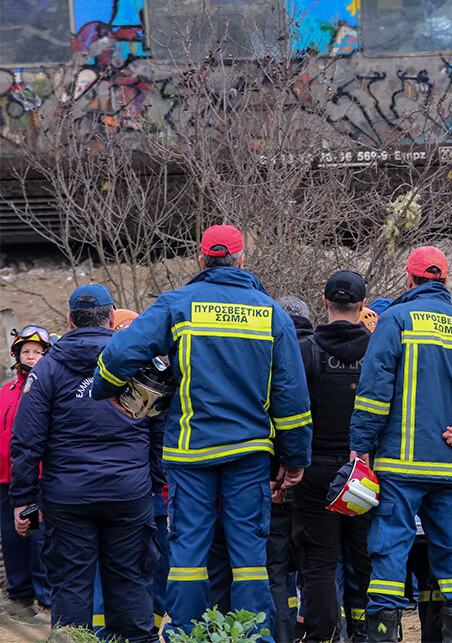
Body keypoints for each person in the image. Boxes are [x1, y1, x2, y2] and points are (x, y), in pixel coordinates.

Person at [91, 225, 313, 640]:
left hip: (190, 453)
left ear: (200, 260)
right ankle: (253, 635)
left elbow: (119, 353)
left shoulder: (177, 305)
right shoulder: (271, 313)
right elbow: (291, 397)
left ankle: (186, 633)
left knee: (189, 549)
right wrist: (295, 459)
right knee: (249, 551)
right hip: (249, 454)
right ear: (242, 260)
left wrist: (105, 389)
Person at [349, 246, 452, 643]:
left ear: (409, 278)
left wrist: (361, 444)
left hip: (400, 466)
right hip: (449, 465)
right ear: (444, 280)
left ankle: (384, 636)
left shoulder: (396, 319)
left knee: (389, 549)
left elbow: (373, 391)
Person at [10, 285, 163, 642]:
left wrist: (22, 500)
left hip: (68, 499)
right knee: (130, 580)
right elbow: (160, 428)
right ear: (112, 318)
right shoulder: (137, 361)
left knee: (72, 585)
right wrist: (151, 482)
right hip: (129, 493)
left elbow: (26, 440)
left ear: (69, 320)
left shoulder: (46, 370)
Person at [293, 271, 374, 643]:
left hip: (315, 472)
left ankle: (323, 636)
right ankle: (369, 633)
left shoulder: (305, 351)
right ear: (362, 306)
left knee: (320, 565)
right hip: (366, 472)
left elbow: (287, 410)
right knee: (366, 560)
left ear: (324, 303)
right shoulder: (380, 351)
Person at [1, 325, 53, 621]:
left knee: (36, 535)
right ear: (17, 354)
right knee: (11, 537)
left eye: (37, 352)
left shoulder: (48, 388)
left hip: (36, 477)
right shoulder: (4, 393)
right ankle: (20, 597)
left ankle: (45, 600)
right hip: (6, 478)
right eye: (26, 351)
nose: (31, 356)